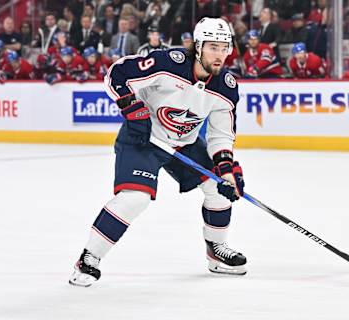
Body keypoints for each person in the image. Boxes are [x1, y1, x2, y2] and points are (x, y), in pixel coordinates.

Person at [69, 17, 247, 287]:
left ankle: (217, 250)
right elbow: (117, 74)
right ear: (198, 46)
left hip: (184, 143)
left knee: (219, 185)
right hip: (143, 138)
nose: (220, 54)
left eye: (225, 47)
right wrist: (133, 108)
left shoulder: (226, 87)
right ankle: (89, 258)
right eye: (213, 47)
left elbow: (221, 135)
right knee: (135, 199)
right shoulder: (168, 63)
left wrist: (226, 168)